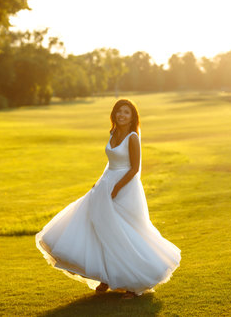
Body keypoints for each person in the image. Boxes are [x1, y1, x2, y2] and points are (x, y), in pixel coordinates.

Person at [35, 98, 181, 299]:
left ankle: (133, 285)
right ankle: (105, 276)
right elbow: (110, 164)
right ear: (114, 114)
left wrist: (116, 188)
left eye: (126, 112)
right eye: (119, 111)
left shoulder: (132, 137)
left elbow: (134, 168)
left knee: (124, 233)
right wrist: (100, 183)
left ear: (132, 117)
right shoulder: (113, 132)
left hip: (125, 188)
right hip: (107, 183)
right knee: (99, 229)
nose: (121, 115)